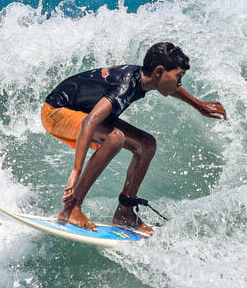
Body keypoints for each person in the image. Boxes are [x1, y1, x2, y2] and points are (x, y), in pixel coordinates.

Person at [40, 42, 227, 234]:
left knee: (146, 145)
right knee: (115, 138)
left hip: (81, 111)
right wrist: (75, 170)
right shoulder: (125, 85)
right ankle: (71, 209)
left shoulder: (144, 78)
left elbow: (172, 88)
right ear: (159, 72)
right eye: (178, 76)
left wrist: (199, 105)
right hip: (57, 112)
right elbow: (89, 122)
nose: (180, 83)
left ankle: (125, 211)